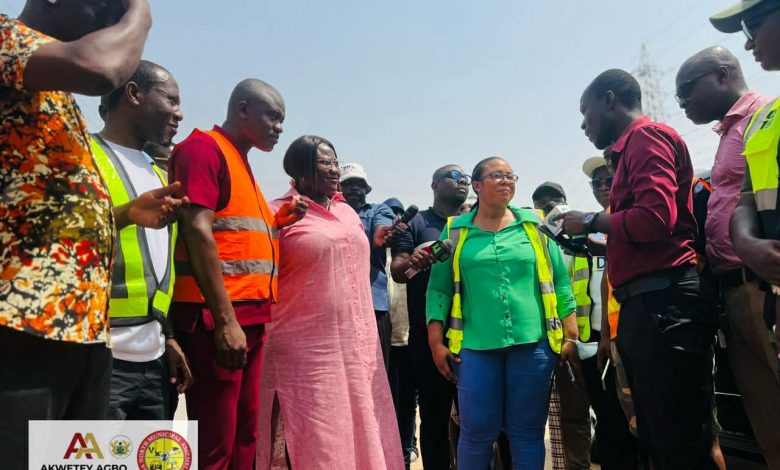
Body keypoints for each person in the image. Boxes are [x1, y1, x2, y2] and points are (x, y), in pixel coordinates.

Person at [0, 1, 163, 466]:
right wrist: (140, 11)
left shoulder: (52, 89)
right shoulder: (6, 39)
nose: (114, 16)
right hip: (24, 324)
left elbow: (41, 207)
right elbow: (102, 68)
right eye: (105, 3)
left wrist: (124, 214)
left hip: (83, 329)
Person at [557, 69, 719, 469]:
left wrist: (591, 221)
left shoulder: (647, 138)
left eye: (585, 112)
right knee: (658, 437)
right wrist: (601, 241)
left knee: (678, 440)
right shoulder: (629, 149)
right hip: (647, 305)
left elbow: (655, 218)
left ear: (610, 100)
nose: (583, 125)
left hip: (663, 304)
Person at [169, 79, 307, 469]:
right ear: (243, 109)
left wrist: (279, 220)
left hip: (252, 315)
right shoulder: (203, 149)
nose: (279, 128)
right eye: (273, 117)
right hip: (217, 317)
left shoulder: (240, 162)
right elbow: (197, 231)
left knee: (245, 435)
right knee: (216, 440)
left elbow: (234, 234)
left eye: (282, 121)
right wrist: (225, 320)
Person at [256, 135, 404, 470]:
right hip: (304, 352)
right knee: (317, 434)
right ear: (299, 169)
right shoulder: (276, 212)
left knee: (361, 424)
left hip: (357, 347)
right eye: (325, 162)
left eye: (335, 162)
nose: (334, 170)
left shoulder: (347, 212)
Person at [426, 157, 579, 469]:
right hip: (475, 347)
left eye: (511, 176)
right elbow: (438, 289)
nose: (506, 181)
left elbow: (560, 280)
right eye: (497, 175)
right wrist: (435, 341)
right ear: (477, 185)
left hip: (533, 344)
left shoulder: (535, 226)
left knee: (527, 432)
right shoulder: (455, 230)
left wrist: (571, 330)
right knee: (476, 432)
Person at [676, 44, 780, 466]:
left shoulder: (764, 118)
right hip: (733, 289)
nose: (682, 101)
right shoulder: (728, 134)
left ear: (722, 75)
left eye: (687, 89)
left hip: (764, 285)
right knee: (766, 419)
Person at [92, 60, 193, 421]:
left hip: (154, 361)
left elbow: (157, 267)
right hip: (99, 359)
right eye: (171, 100)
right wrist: (125, 214)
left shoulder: (157, 174)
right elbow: (59, 237)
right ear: (134, 94)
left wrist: (166, 336)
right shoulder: (84, 157)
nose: (179, 113)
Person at [390, 165, 469, 469]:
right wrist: (414, 261)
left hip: (473, 332)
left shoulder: (474, 222)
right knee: (434, 417)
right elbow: (398, 272)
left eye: (465, 178)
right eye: (454, 177)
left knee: (476, 419)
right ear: (434, 185)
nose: (462, 182)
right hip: (427, 334)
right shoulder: (417, 223)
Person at [579, 156, 640, 469]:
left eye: (609, 179)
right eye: (597, 182)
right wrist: (603, 335)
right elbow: (604, 284)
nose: (604, 187)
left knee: (645, 427)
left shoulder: (638, 217)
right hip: (602, 341)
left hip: (638, 333)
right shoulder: (590, 228)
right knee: (611, 425)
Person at [532, 181, 590, 470]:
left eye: (554, 200)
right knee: (542, 418)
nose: (549, 207)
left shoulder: (583, 236)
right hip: (542, 342)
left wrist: (572, 337)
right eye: (542, 203)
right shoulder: (533, 240)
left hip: (579, 341)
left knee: (575, 416)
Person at [340, 163, 395, 373]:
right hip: (337, 304)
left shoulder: (378, 210)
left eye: (359, 184)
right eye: (348, 184)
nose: (354, 188)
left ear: (366, 189)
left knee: (375, 369)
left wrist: (383, 234)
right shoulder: (327, 213)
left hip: (373, 302)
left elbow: (381, 230)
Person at [383, 197, 419, 468]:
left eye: (400, 215)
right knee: (386, 401)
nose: (397, 221)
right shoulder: (375, 253)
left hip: (409, 338)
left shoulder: (409, 253)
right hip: (385, 341)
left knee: (407, 402)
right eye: (391, 216)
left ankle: (406, 453)